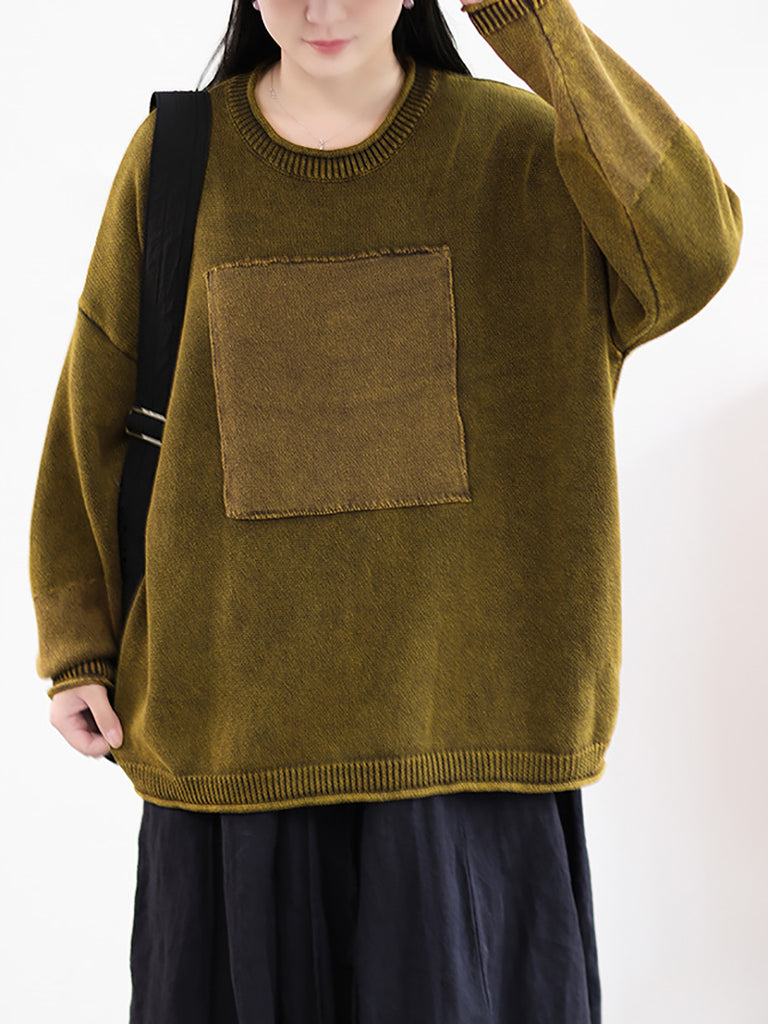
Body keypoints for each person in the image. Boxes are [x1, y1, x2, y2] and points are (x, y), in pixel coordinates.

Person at [29, 0, 742, 1021]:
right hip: (233, 750)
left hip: (468, 755)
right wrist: (77, 645)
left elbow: (696, 248)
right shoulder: (179, 156)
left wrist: (531, 19)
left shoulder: (525, 152)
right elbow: (95, 409)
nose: (323, 8)